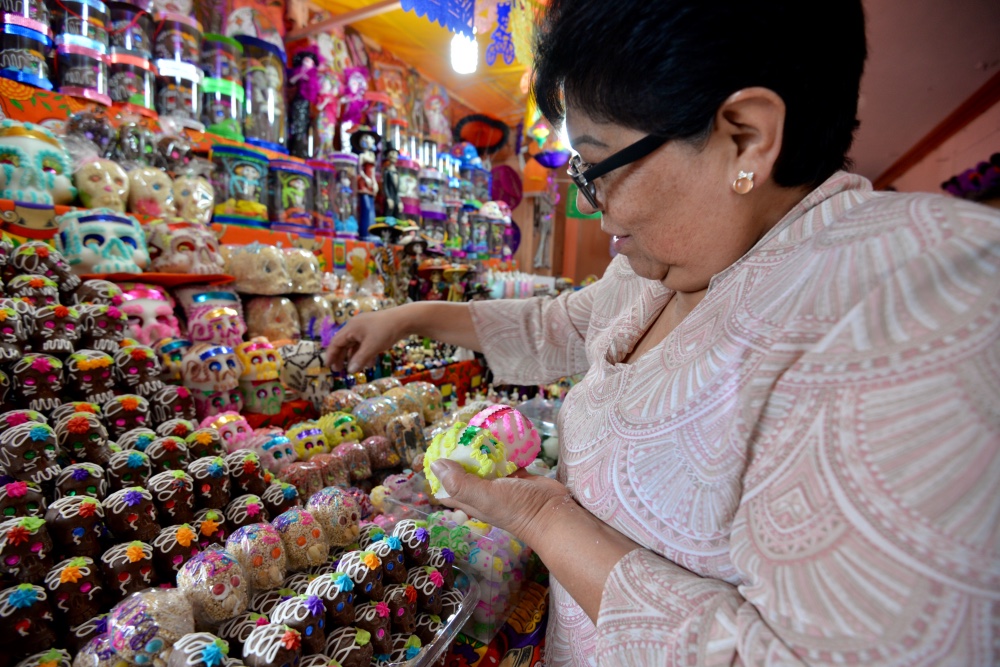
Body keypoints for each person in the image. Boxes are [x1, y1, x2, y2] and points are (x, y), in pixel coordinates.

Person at [325, 0, 1000, 664]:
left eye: (601, 167)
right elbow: (556, 323)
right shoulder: (668, 263)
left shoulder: (917, 296)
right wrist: (407, 316)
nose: (596, 209)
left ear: (746, 135)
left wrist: (546, 520)